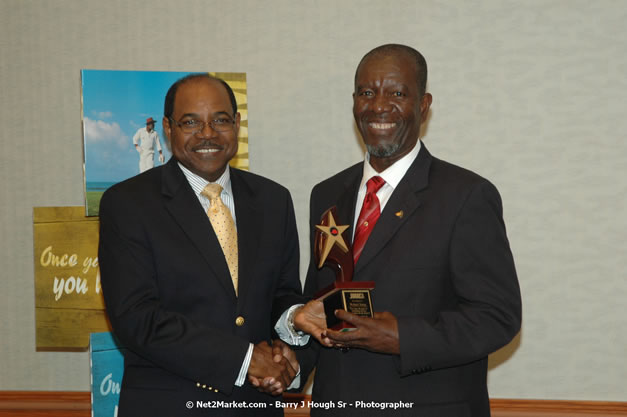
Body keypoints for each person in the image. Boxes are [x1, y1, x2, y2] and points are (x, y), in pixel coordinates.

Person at [294, 44, 522, 416]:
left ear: (424, 105)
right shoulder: (327, 194)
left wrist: (403, 337)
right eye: (367, 92)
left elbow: (498, 317)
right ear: (354, 102)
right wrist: (289, 362)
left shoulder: (466, 196)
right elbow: (318, 300)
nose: (379, 105)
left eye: (397, 93)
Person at [99, 74, 307, 416]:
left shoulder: (273, 200)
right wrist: (244, 360)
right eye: (191, 122)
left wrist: (292, 334)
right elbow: (136, 318)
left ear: (237, 124)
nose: (207, 133)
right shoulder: (128, 204)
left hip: (256, 406)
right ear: (168, 128)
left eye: (220, 120)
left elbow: (282, 294)